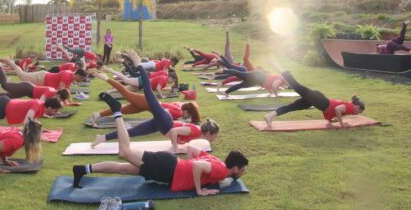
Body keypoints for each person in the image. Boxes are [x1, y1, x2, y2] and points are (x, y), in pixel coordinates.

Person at [71, 109, 248, 195]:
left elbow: (193, 150)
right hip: (167, 169)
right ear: (235, 168)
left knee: (123, 168)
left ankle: (83, 169)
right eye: (243, 170)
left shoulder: (218, 162)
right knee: (125, 152)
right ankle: (118, 113)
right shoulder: (220, 171)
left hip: (170, 166)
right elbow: (198, 166)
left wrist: (186, 164)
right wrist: (200, 189)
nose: (243, 172)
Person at [92, 61, 220, 153]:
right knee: (145, 91)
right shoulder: (196, 131)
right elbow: (175, 131)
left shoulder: (198, 133)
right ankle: (139, 65)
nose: (215, 138)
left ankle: (102, 138)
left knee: (131, 132)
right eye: (215, 135)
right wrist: (175, 147)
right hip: (164, 121)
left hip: (161, 124)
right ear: (209, 133)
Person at [263, 64, 364, 129]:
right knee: (297, 87)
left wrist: (331, 120)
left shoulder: (347, 109)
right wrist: (342, 124)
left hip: (317, 101)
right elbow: (337, 109)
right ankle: (283, 71)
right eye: (358, 112)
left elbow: (331, 111)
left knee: (292, 107)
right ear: (357, 107)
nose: (357, 114)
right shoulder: (350, 107)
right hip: (319, 100)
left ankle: (270, 115)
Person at [220, 67, 286, 96]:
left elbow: (269, 85)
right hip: (257, 76)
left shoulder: (281, 81)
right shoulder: (280, 79)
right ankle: (224, 70)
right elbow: (274, 86)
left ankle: (226, 92)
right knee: (240, 74)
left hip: (257, 81)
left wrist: (271, 92)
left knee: (242, 85)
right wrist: (276, 95)